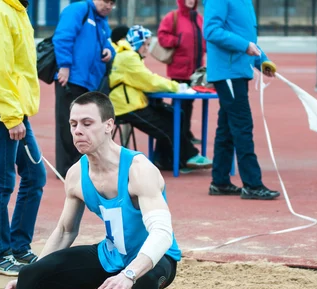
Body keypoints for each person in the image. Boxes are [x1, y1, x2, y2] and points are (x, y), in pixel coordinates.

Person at [0, 92, 180, 289]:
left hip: (155, 258)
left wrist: (129, 274)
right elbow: (65, 231)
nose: (78, 130)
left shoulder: (139, 170)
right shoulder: (75, 175)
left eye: (87, 123)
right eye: (73, 124)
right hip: (111, 256)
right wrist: (30, 277)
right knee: (29, 273)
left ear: (109, 126)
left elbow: (163, 234)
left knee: (144, 281)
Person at [0, 0, 46, 275]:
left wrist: (18, 112)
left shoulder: (16, 8)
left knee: (35, 176)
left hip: (14, 109)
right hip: (1, 110)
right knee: (2, 182)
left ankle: (18, 247)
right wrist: (12, 116)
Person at [203, 0, 280, 200]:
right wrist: (245, 46)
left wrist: (262, 61)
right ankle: (252, 184)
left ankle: (219, 181)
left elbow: (247, 37)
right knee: (242, 125)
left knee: (227, 129)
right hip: (227, 72)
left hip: (238, 71)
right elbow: (211, 30)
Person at [109, 25, 211, 172]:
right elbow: (149, 81)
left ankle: (165, 159)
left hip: (132, 102)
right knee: (167, 127)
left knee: (175, 115)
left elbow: (145, 79)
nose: (147, 49)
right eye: (146, 44)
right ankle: (187, 156)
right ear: (138, 43)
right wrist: (177, 87)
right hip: (126, 107)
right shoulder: (128, 57)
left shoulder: (129, 55)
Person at [52, 0, 115, 178]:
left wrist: (110, 51)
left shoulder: (102, 20)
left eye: (112, 3)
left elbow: (108, 43)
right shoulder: (78, 9)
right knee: (69, 124)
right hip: (73, 79)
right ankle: (66, 170)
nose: (109, 6)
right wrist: (64, 66)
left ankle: (82, 168)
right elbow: (63, 37)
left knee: (87, 125)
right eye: (106, 1)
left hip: (91, 81)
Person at [157, 0, 205, 144]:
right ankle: (178, 135)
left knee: (189, 104)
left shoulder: (198, 18)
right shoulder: (173, 17)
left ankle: (185, 134)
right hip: (179, 70)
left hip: (195, 70)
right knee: (180, 105)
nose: (190, 1)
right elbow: (162, 36)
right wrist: (178, 40)